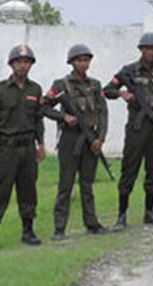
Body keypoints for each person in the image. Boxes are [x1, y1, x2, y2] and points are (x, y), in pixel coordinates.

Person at [102, 32, 153, 230]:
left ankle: (149, 212)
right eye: (147, 49)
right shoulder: (129, 71)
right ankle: (121, 215)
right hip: (137, 127)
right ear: (141, 50)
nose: (151, 52)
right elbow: (106, 90)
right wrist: (122, 93)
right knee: (129, 170)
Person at [0, 44, 46, 250]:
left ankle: (28, 230)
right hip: (6, 148)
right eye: (18, 62)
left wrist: (41, 144)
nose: (22, 66)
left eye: (26, 62)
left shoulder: (35, 89)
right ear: (11, 64)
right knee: (0, 191)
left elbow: (38, 119)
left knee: (28, 191)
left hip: (27, 148)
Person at [42, 44, 110, 240]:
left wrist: (100, 139)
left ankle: (92, 224)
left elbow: (103, 113)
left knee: (87, 184)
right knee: (66, 184)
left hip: (91, 137)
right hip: (70, 139)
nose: (83, 63)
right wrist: (63, 117)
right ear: (71, 62)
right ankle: (59, 228)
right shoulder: (61, 85)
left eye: (86, 60)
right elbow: (44, 106)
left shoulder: (95, 85)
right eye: (79, 60)